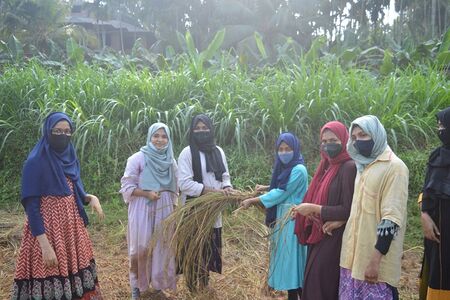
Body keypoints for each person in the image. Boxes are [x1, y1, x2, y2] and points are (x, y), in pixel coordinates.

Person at [12, 112, 104, 300]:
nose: (63, 135)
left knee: (75, 278)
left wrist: (90, 197)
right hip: (47, 233)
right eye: (58, 131)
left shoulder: (69, 157)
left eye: (67, 131)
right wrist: (45, 246)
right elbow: (32, 207)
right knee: (49, 276)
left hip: (72, 231)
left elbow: (72, 190)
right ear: (48, 131)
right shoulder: (35, 162)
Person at [339, 115, 408, 300]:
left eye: (363, 135)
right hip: (352, 257)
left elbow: (391, 219)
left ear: (376, 135)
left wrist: (375, 260)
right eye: (354, 137)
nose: (358, 141)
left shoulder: (395, 167)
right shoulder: (363, 166)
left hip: (374, 262)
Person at [292, 121, 356, 300]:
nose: (328, 145)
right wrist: (307, 212)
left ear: (344, 140)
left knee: (320, 284)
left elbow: (349, 208)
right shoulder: (326, 166)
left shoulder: (348, 167)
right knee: (313, 282)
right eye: (324, 141)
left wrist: (314, 208)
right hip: (320, 231)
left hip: (334, 237)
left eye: (333, 140)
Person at [241, 132, 308, 300]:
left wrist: (253, 200)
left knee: (291, 261)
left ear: (295, 149)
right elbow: (280, 184)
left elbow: (282, 192)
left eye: (288, 149)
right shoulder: (286, 168)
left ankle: (296, 294)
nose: (284, 152)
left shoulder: (299, 169)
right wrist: (265, 188)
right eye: (281, 149)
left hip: (292, 219)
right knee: (287, 260)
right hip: (283, 219)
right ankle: (294, 294)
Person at [120, 122, 178, 299]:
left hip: (164, 208)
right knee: (141, 246)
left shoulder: (170, 160)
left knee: (162, 246)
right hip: (142, 208)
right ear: (149, 137)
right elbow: (127, 186)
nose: (160, 140)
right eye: (156, 136)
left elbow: (175, 187)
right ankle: (137, 287)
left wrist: (174, 208)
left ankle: (158, 285)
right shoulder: (137, 158)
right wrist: (146, 194)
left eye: (164, 136)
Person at [177, 114, 233, 292]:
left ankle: (205, 283)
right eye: (197, 128)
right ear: (192, 131)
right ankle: (193, 286)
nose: (201, 131)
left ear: (210, 128)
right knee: (193, 245)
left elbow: (225, 175)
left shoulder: (218, 151)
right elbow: (184, 184)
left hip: (213, 209)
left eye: (204, 128)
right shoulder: (187, 153)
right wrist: (212, 192)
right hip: (194, 209)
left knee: (208, 244)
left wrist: (228, 188)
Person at [419, 106, 450, 299]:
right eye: (438, 126)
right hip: (436, 232)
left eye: (443, 126)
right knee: (437, 272)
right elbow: (426, 189)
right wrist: (424, 214)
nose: (440, 130)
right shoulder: (437, 155)